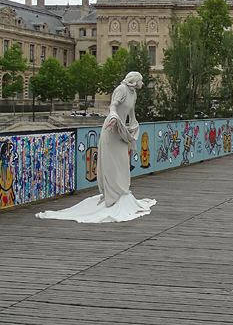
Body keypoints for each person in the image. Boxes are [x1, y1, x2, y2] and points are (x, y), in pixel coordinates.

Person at [36, 72, 156, 223]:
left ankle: (121, 192)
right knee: (112, 163)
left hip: (121, 130)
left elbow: (131, 114)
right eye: (141, 80)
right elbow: (113, 106)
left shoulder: (133, 94)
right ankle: (111, 196)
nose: (142, 83)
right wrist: (114, 116)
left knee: (123, 163)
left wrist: (133, 127)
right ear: (135, 80)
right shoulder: (121, 89)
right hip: (112, 128)